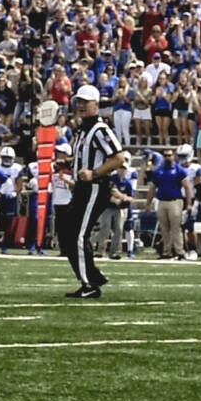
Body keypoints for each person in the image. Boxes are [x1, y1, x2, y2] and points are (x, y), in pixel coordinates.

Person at [58, 84, 125, 298]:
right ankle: (90, 276)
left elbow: (118, 158)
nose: (81, 106)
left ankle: (90, 284)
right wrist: (66, 163)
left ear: (96, 104)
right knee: (66, 232)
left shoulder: (100, 129)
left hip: (95, 187)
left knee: (77, 234)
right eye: (79, 102)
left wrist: (95, 173)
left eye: (86, 102)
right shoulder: (82, 130)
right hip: (83, 188)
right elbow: (82, 158)